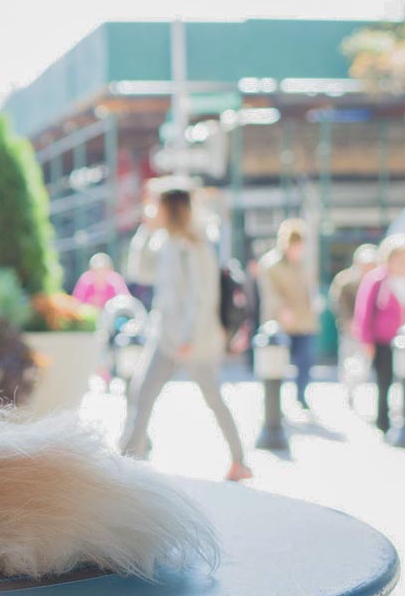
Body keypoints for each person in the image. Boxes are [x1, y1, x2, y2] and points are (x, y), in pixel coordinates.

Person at [118, 186, 251, 482]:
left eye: (158, 207)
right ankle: (127, 462)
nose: (154, 211)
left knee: (213, 398)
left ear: (172, 209)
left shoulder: (196, 247)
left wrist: (189, 338)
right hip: (165, 337)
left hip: (195, 341)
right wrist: (145, 232)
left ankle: (239, 461)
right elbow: (139, 272)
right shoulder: (165, 243)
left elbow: (201, 298)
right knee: (141, 393)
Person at [352, 234, 405, 434]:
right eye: (398, 257)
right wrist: (366, 340)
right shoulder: (377, 280)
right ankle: (383, 421)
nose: (402, 262)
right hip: (385, 340)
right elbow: (364, 311)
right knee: (384, 381)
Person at [257, 220, 324, 409]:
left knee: (305, 361)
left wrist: (315, 302)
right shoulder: (271, 264)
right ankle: (273, 403)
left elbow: (311, 288)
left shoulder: (304, 264)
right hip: (279, 324)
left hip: (305, 321)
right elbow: (270, 293)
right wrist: (281, 310)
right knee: (276, 364)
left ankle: (301, 396)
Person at [329, 244, 379, 407]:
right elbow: (338, 303)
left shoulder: (376, 281)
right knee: (349, 360)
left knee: (365, 364)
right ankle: (349, 391)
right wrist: (349, 321)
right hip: (350, 329)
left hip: (370, 330)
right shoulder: (345, 281)